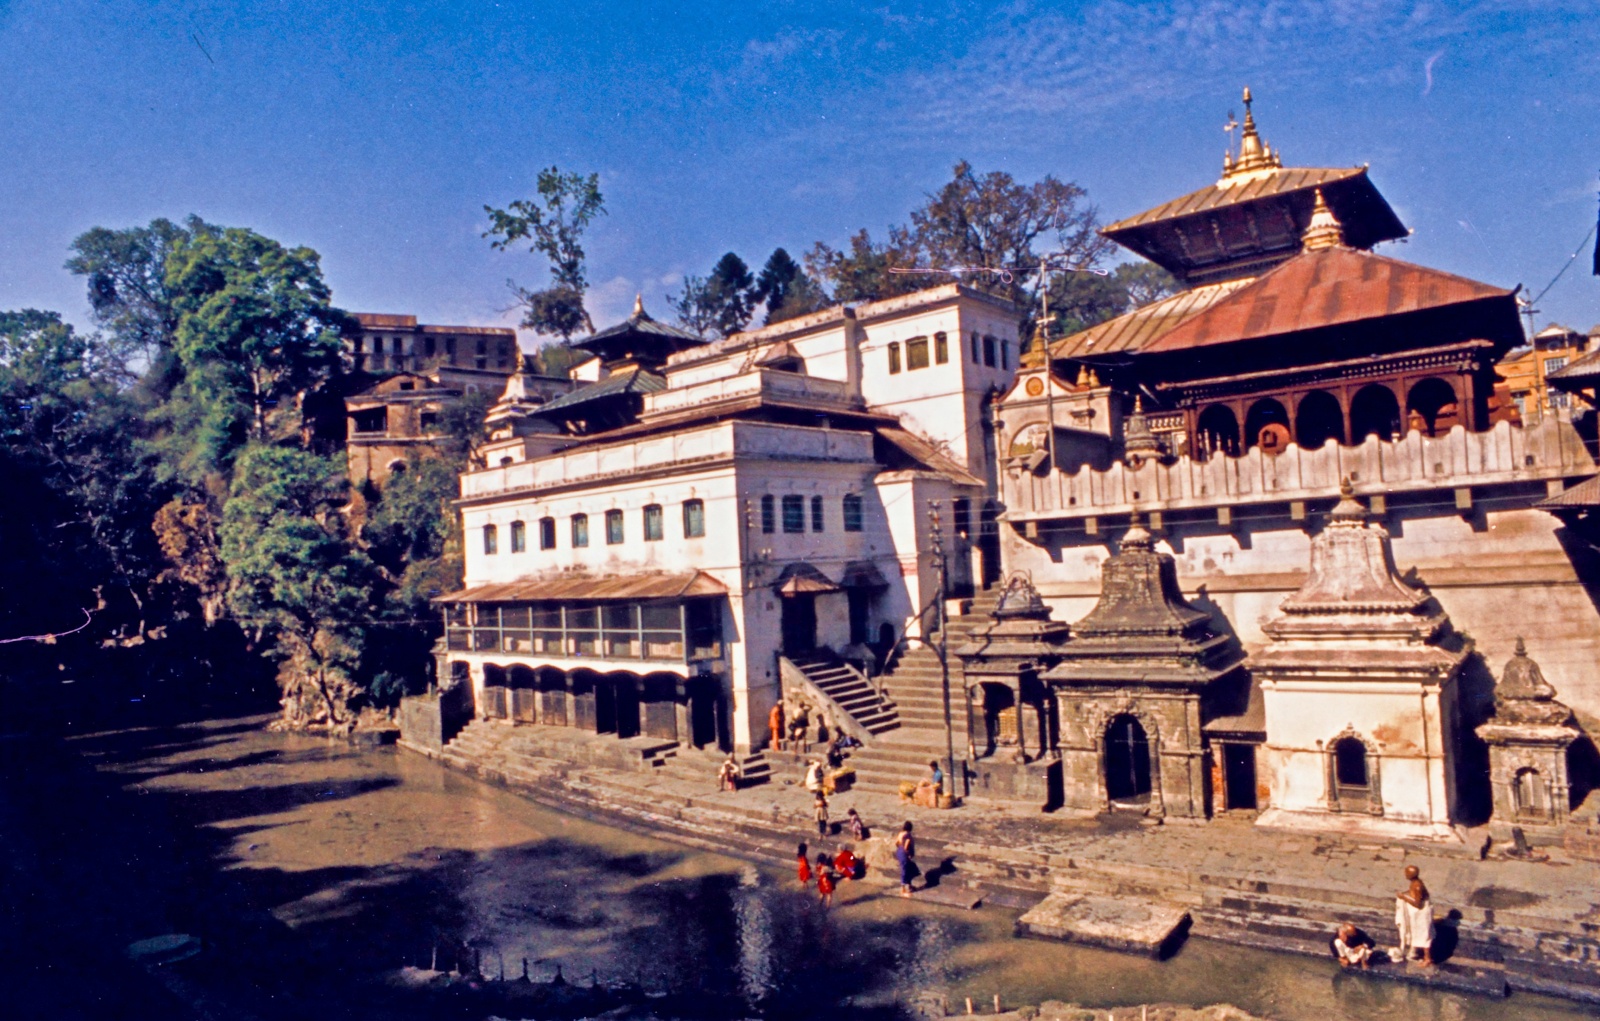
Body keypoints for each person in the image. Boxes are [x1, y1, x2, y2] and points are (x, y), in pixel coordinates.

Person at [1395, 865, 1435, 966]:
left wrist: (1404, 897)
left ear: (1411, 875)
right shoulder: (1415, 882)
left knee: (1424, 935)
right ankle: (1415, 951)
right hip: (1419, 913)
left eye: (1406, 873)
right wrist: (1404, 894)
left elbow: (1418, 904)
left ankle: (1427, 958)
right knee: (1417, 933)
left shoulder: (1417, 886)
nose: (1405, 874)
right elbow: (1413, 894)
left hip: (1421, 913)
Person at [894, 821, 917, 897]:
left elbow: (896, 843)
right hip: (904, 854)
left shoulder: (901, 833)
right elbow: (906, 846)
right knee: (905, 870)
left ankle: (909, 886)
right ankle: (903, 890)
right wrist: (908, 854)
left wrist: (900, 848)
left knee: (909, 868)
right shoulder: (908, 835)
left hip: (899, 851)